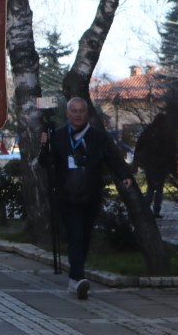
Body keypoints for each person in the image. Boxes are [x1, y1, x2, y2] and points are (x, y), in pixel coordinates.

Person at [39, 97, 133, 299]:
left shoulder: (98, 137)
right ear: (68, 113)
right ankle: (78, 277)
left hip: (90, 194)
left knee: (85, 236)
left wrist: (124, 175)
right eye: (74, 111)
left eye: (82, 111)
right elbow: (46, 162)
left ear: (87, 113)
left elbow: (113, 158)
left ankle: (75, 277)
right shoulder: (59, 136)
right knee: (75, 235)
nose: (78, 114)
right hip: (67, 195)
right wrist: (44, 146)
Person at [133, 112, 176, 218]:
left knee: (151, 187)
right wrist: (173, 168)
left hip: (150, 164)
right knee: (159, 188)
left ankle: (146, 210)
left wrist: (137, 162)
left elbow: (139, 146)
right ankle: (156, 210)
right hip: (162, 165)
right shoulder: (166, 132)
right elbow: (172, 151)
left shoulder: (149, 131)